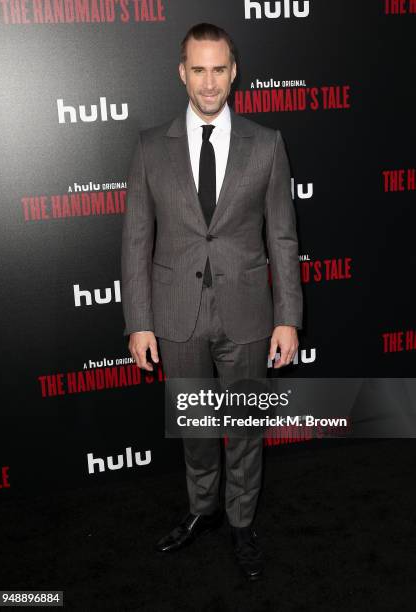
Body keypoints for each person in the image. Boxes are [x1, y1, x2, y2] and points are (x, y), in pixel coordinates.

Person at [121, 23, 303, 581]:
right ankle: (202, 510)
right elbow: (135, 240)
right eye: (197, 69)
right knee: (195, 427)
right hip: (175, 316)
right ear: (182, 72)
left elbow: (283, 238)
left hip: (247, 312)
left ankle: (242, 521)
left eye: (218, 69)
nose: (208, 82)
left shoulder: (266, 143)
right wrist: (140, 323)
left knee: (245, 427)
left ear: (234, 72)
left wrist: (289, 318)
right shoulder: (151, 147)